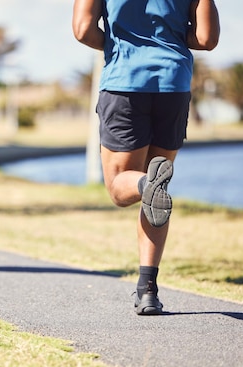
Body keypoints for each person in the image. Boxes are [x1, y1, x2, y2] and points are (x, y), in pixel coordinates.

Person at [72, 0, 220, 315]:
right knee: (157, 194)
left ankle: (144, 182)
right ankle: (147, 289)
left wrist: (117, 44)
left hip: (124, 83)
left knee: (120, 189)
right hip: (173, 84)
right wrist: (174, 38)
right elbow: (207, 38)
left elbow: (83, 30)